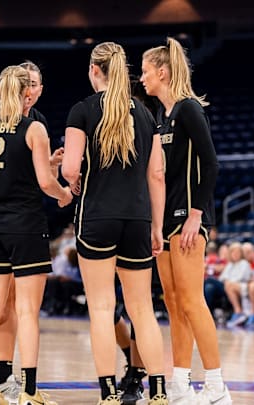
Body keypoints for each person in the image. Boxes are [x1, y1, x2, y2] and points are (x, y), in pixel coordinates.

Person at [62, 41, 167, 405]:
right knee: (143, 311)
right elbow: (157, 175)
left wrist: (70, 177)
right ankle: (158, 392)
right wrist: (156, 226)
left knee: (102, 309)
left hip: (97, 217)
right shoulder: (145, 114)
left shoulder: (83, 110)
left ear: (95, 70)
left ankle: (108, 392)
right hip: (138, 219)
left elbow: (71, 169)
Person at [0, 64, 70, 405]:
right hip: (24, 224)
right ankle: (28, 391)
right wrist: (65, 194)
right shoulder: (33, 126)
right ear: (26, 93)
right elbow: (44, 183)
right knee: (26, 311)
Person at [141, 37, 230, 404]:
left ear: (162, 71)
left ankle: (216, 384)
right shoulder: (164, 117)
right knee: (174, 302)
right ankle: (180, 380)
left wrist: (197, 216)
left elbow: (210, 164)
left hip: (189, 217)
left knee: (193, 301)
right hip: (167, 219)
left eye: (146, 71)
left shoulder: (190, 109)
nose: (142, 78)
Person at [205, 242, 251, 313]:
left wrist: (228, 280)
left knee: (209, 280)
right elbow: (221, 278)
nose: (235, 254)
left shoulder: (244, 263)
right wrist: (226, 280)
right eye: (233, 252)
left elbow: (241, 278)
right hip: (224, 285)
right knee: (209, 287)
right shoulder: (230, 264)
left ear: (241, 254)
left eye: (237, 252)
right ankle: (208, 313)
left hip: (236, 286)